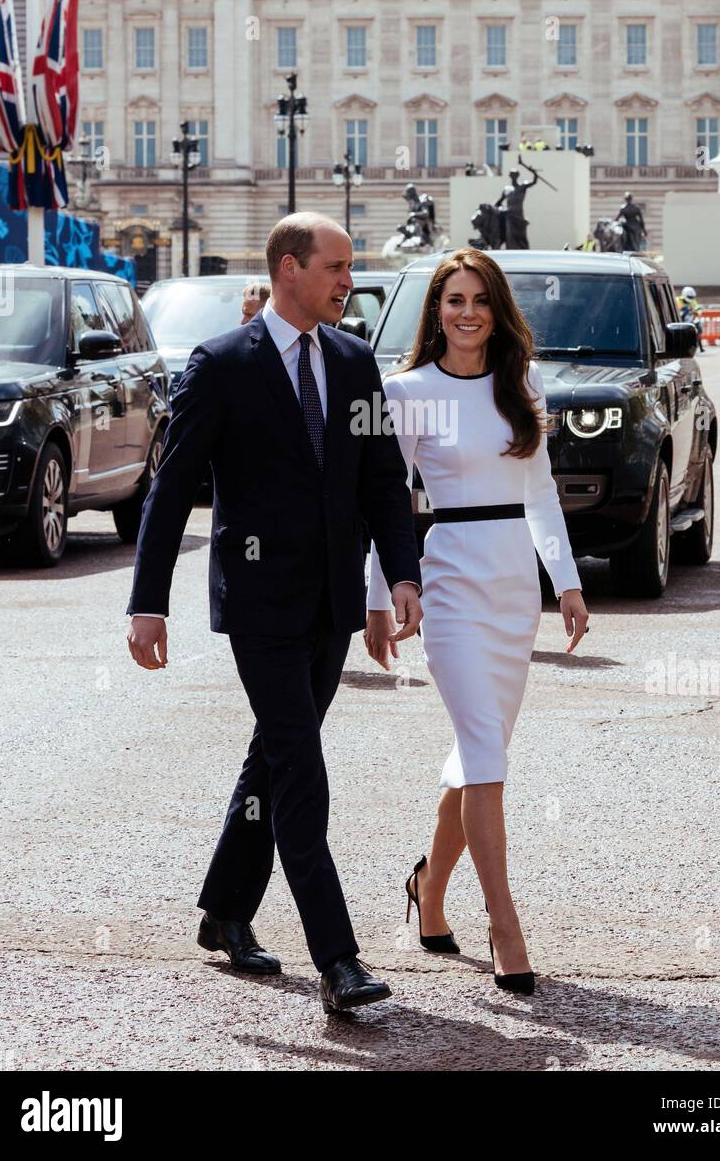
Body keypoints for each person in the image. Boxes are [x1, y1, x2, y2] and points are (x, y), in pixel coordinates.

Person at [125, 213, 423, 1016]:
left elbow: (381, 482)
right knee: (299, 770)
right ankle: (340, 960)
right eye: (335, 266)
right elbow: (169, 489)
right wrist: (147, 603)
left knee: (274, 757)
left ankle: (225, 910)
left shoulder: (357, 362)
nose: (346, 282)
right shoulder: (220, 365)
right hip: (258, 605)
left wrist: (400, 577)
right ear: (288, 268)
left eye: (350, 267)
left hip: (330, 602)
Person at [364, 247, 589, 995]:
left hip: (511, 585)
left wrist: (565, 583)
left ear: (497, 311)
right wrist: (379, 595)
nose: (466, 312)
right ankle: (504, 925)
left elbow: (541, 493)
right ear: (435, 312)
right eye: (452, 300)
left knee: (476, 755)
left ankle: (428, 889)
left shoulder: (518, 382)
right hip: (450, 578)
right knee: (487, 759)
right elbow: (385, 500)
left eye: (479, 300)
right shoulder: (406, 391)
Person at [495, 168, 537, 249]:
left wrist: (533, 172)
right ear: (510, 176)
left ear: (517, 176)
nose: (513, 176)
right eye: (512, 174)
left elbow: (534, 181)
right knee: (510, 236)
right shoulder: (507, 189)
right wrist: (500, 208)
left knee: (521, 238)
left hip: (519, 216)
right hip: (510, 217)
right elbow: (499, 202)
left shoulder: (522, 186)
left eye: (515, 174)